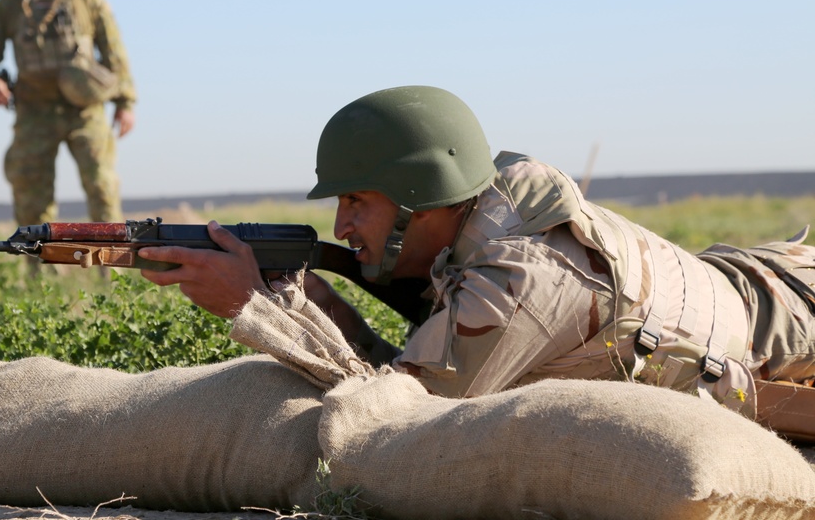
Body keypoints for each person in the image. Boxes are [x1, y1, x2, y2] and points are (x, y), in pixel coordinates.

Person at [136, 85, 815, 421]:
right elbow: (408, 361)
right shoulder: (486, 213)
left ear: (418, 198)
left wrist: (250, 305)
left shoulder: (520, 280)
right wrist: (317, 300)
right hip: (751, 277)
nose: (342, 224)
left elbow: (396, 413)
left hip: (789, 320)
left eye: (357, 202)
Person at [0, 0, 137, 227]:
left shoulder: (87, 0)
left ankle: (111, 271)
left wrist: (125, 102)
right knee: (30, 193)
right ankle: (38, 271)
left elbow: (115, 53)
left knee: (102, 188)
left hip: (84, 110)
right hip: (34, 110)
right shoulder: (9, 5)